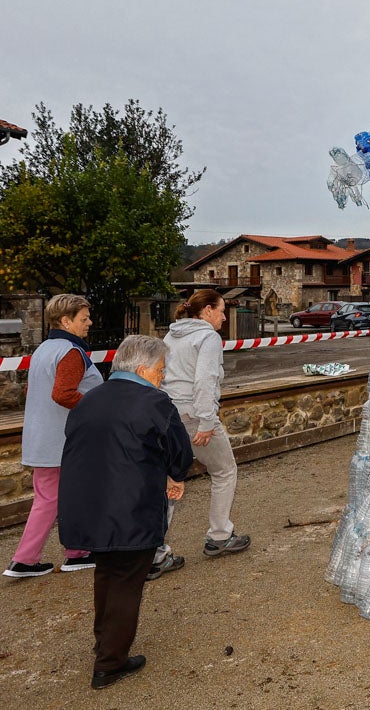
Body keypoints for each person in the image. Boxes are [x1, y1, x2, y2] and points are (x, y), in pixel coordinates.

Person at [58, 335, 192, 690]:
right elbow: (179, 452)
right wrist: (175, 476)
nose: (162, 377)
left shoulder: (90, 399)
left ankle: (104, 641)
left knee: (106, 573)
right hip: (130, 506)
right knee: (127, 580)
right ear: (144, 369)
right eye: (161, 370)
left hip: (87, 502)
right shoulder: (155, 402)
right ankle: (110, 662)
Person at [3, 294, 105, 579]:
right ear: (66, 321)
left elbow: (32, 391)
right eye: (84, 319)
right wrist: (98, 406)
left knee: (49, 498)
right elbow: (63, 394)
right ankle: (74, 552)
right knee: (71, 496)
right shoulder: (71, 352)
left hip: (42, 437)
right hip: (65, 439)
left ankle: (30, 558)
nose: (89, 323)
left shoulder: (44, 349)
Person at [160, 288, 249, 562]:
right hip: (195, 414)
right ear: (207, 310)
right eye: (221, 311)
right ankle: (220, 536)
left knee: (171, 479)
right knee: (224, 471)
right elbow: (205, 381)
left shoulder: (170, 335)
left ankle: (153, 548)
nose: (224, 317)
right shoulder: (208, 337)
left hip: (168, 414)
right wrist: (207, 421)